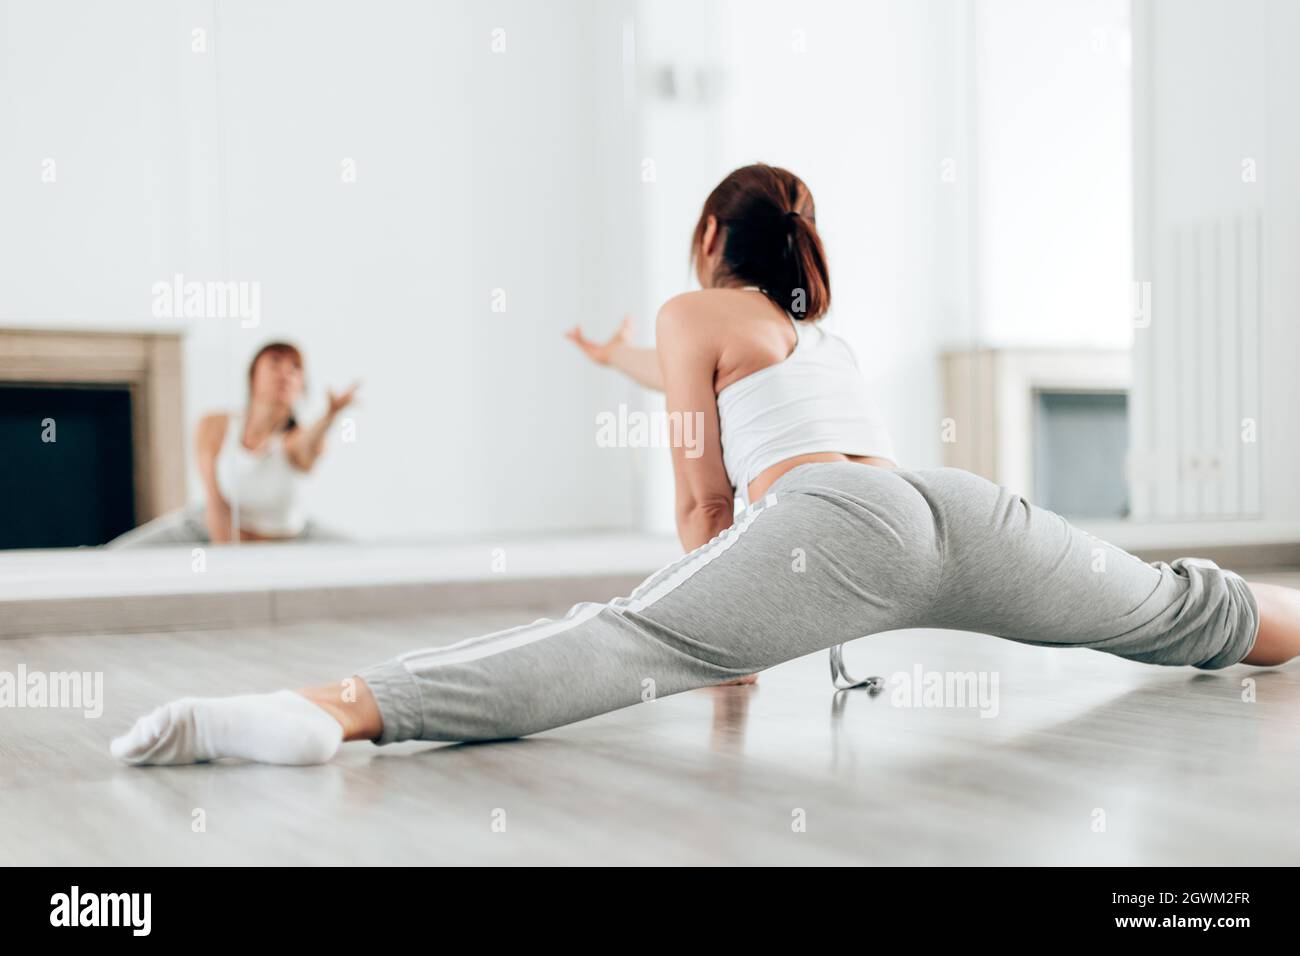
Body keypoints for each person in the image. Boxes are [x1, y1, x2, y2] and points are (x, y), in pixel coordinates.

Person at [110, 164, 1300, 767]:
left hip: (825, 519)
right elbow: (715, 382)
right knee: (1173, 609)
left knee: (628, 639)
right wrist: (616, 355)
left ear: (710, 240)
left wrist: (720, 648)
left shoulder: (696, 311)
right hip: (952, 507)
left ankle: (329, 709)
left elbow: (704, 493)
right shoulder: (812, 338)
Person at [107, 342, 358, 546]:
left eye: (295, 368)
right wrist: (229, 562)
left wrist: (330, 416)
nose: (286, 373)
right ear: (253, 377)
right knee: (118, 556)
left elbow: (308, 444)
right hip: (210, 531)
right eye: (275, 363)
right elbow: (216, 503)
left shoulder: (296, 440)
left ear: (301, 386)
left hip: (290, 539)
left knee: (362, 558)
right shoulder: (215, 425)